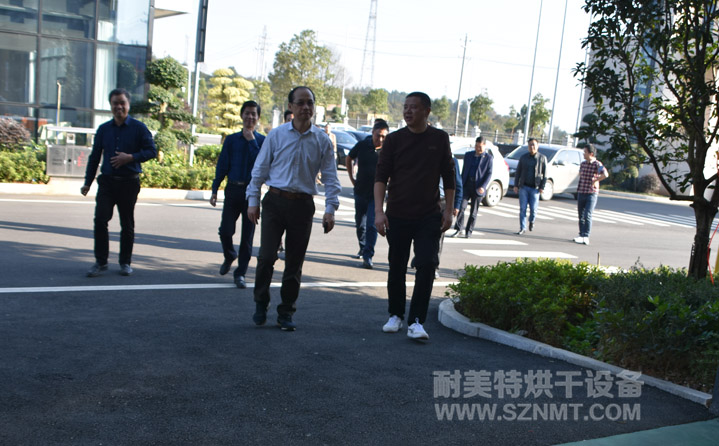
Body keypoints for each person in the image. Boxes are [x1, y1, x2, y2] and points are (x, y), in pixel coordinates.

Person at [246, 86, 341, 331]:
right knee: (266, 257)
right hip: (275, 202)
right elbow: (260, 170)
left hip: (302, 206)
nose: (305, 107)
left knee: (294, 262)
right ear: (290, 107)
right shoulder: (277, 135)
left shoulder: (321, 140)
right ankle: (260, 303)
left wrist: (330, 209)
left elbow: (331, 177)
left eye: (310, 103)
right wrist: (253, 201)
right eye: (300, 103)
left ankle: (286, 312)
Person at [375, 92, 455, 340]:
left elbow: (449, 177)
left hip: (428, 215)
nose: (408, 111)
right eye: (405, 107)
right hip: (397, 214)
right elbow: (381, 177)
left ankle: (417, 321)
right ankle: (395, 315)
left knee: (427, 263)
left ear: (427, 111)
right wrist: (379, 212)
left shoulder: (439, 139)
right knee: (397, 265)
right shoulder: (394, 140)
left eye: (414, 107)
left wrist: (449, 210)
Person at [81, 88, 156, 277]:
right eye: (115, 103)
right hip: (107, 182)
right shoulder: (104, 129)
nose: (119, 107)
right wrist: (88, 182)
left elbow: (151, 151)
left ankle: (125, 262)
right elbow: (94, 157)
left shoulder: (139, 128)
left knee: (127, 223)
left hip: (129, 183)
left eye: (122, 103)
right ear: (111, 106)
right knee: (100, 220)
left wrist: (130, 157)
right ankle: (101, 262)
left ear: (128, 105)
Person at [209, 101, 265, 289]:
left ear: (258, 118)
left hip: (252, 193)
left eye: (254, 114)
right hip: (233, 190)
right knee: (225, 230)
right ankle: (229, 255)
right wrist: (215, 189)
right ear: (242, 115)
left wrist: (251, 141)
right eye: (247, 113)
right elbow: (222, 165)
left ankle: (240, 273)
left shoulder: (262, 141)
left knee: (247, 238)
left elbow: (262, 164)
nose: (250, 117)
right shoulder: (231, 140)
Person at [345, 119, 390, 269]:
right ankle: (363, 246)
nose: (381, 139)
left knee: (372, 224)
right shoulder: (363, 145)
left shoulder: (387, 150)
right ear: (372, 133)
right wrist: (352, 178)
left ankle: (368, 255)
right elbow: (349, 158)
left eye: (384, 136)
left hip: (376, 195)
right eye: (378, 135)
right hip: (360, 191)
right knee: (360, 224)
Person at [449, 135, 493, 238]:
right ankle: (459, 229)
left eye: (480, 146)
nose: (478, 148)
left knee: (473, 211)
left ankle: (469, 231)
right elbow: (464, 170)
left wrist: (483, 186)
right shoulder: (468, 155)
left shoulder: (488, 158)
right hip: (467, 184)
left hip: (478, 187)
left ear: (484, 146)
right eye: (476, 146)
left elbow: (489, 174)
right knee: (461, 207)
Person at [574, 143, 609, 245]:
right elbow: (580, 174)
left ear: (591, 154)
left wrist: (596, 180)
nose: (583, 154)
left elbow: (605, 174)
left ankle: (586, 236)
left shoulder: (597, 164)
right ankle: (581, 234)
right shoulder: (583, 164)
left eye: (585, 152)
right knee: (580, 215)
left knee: (587, 215)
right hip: (581, 191)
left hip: (591, 193)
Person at [513, 138, 547, 235]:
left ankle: (531, 221)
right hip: (524, 187)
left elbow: (545, 174)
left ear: (537, 146)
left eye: (533, 145)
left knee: (533, 209)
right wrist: (516, 185)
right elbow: (518, 172)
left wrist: (542, 186)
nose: (532, 147)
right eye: (530, 145)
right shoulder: (524, 157)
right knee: (522, 208)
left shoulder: (542, 158)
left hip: (535, 188)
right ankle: (522, 228)